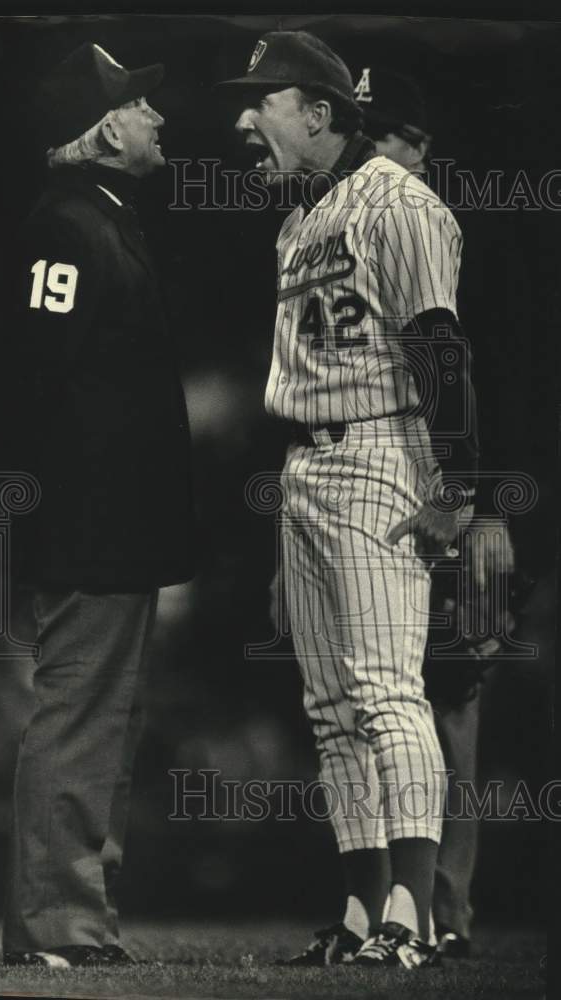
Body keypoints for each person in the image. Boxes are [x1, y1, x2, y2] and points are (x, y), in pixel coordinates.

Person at [218, 30, 479, 968]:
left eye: (264, 101)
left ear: (319, 114)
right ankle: (365, 913)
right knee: (330, 706)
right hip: (306, 463)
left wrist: (461, 494)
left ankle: (413, 912)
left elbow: (443, 354)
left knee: (385, 693)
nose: (245, 119)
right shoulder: (302, 217)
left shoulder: (401, 204)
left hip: (380, 448)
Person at [0, 42, 195, 967]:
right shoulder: (68, 226)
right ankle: (55, 923)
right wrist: (32, 507)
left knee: (106, 722)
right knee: (79, 716)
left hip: (112, 530)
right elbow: (29, 379)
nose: (158, 117)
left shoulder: (101, 218)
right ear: (103, 129)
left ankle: (81, 916)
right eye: (140, 105)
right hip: (88, 528)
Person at [354, 65, 515, 958]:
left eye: (381, 135)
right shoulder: (361, 232)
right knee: (377, 698)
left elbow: (517, 380)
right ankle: (384, 909)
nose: (367, 150)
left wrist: (495, 508)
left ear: (415, 146)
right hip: (385, 491)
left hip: (467, 505)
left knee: (448, 699)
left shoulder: (452, 232)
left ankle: (444, 913)